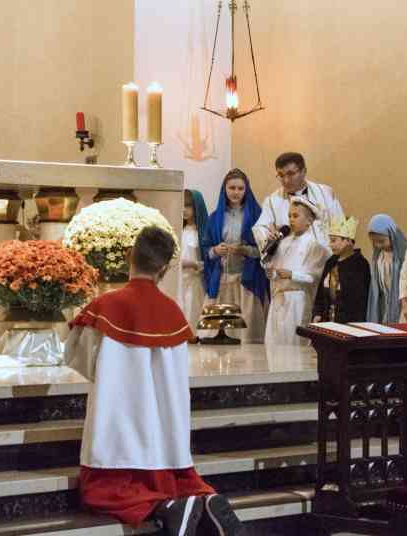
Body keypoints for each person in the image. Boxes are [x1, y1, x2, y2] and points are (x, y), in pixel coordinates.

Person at [64, 226, 246, 536]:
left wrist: (112, 376)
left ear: (129, 256)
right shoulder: (173, 312)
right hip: (163, 432)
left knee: (104, 491)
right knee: (172, 480)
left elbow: (75, 356)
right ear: (163, 268)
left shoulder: (105, 307)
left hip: (117, 418)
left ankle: (169, 510)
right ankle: (205, 499)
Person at [202, 169, 269, 343]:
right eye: (232, 188)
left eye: (240, 188)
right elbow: (205, 248)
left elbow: (266, 250)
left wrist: (245, 250)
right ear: (224, 189)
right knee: (218, 336)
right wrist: (215, 250)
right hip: (222, 279)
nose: (236, 192)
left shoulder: (257, 216)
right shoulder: (215, 217)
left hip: (247, 281)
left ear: (247, 190)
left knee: (246, 338)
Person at [264, 197, 331, 345]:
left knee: (293, 341)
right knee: (276, 342)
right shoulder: (283, 242)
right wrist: (272, 273)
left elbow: (314, 277)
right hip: (279, 299)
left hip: (297, 300)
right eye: (289, 216)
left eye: (295, 216)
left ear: (309, 221)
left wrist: (292, 274)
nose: (291, 220)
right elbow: (275, 269)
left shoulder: (314, 246)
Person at [252, 152, 344, 250]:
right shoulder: (272, 202)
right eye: (281, 175)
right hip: (294, 258)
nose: (286, 180)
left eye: (291, 174)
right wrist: (268, 236)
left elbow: (340, 225)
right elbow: (260, 228)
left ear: (304, 171)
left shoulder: (325, 193)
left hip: (327, 255)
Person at [312, 216, 370, 323]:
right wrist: (317, 312)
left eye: (333, 240)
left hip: (348, 322)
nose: (330, 244)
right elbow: (320, 292)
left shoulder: (360, 264)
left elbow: (360, 301)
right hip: (326, 319)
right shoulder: (331, 262)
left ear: (347, 241)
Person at [366, 214, 407, 323]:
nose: (378, 245)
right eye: (374, 242)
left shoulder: (403, 255)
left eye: (382, 241)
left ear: (392, 235)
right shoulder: (378, 256)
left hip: (399, 304)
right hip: (383, 304)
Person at [181, 189, 208, 342]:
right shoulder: (179, 230)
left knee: (193, 307)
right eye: (182, 205)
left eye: (188, 206)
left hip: (195, 280)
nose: (184, 210)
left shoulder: (203, 232)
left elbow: (207, 257)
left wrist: (196, 264)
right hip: (180, 279)